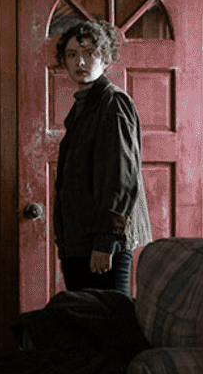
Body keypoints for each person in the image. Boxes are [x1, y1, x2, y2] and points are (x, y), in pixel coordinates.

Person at [52, 19, 152, 295]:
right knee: (84, 325)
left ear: (106, 59)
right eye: (72, 55)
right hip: (78, 241)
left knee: (107, 325)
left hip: (101, 243)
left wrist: (106, 240)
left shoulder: (113, 102)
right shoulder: (83, 107)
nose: (80, 62)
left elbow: (120, 177)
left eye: (89, 53)